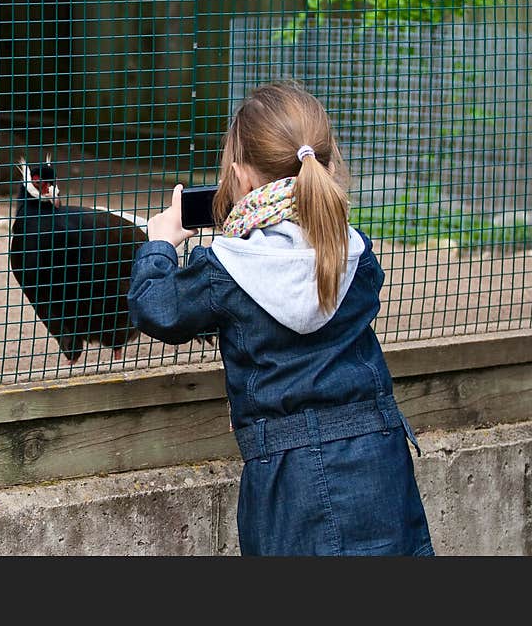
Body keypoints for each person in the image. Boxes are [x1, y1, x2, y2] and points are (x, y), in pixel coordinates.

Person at [127, 80, 434, 556]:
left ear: (242, 177)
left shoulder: (227, 270)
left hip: (288, 481)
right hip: (379, 461)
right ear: (327, 166)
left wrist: (161, 244)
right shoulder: (356, 254)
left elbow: (158, 309)